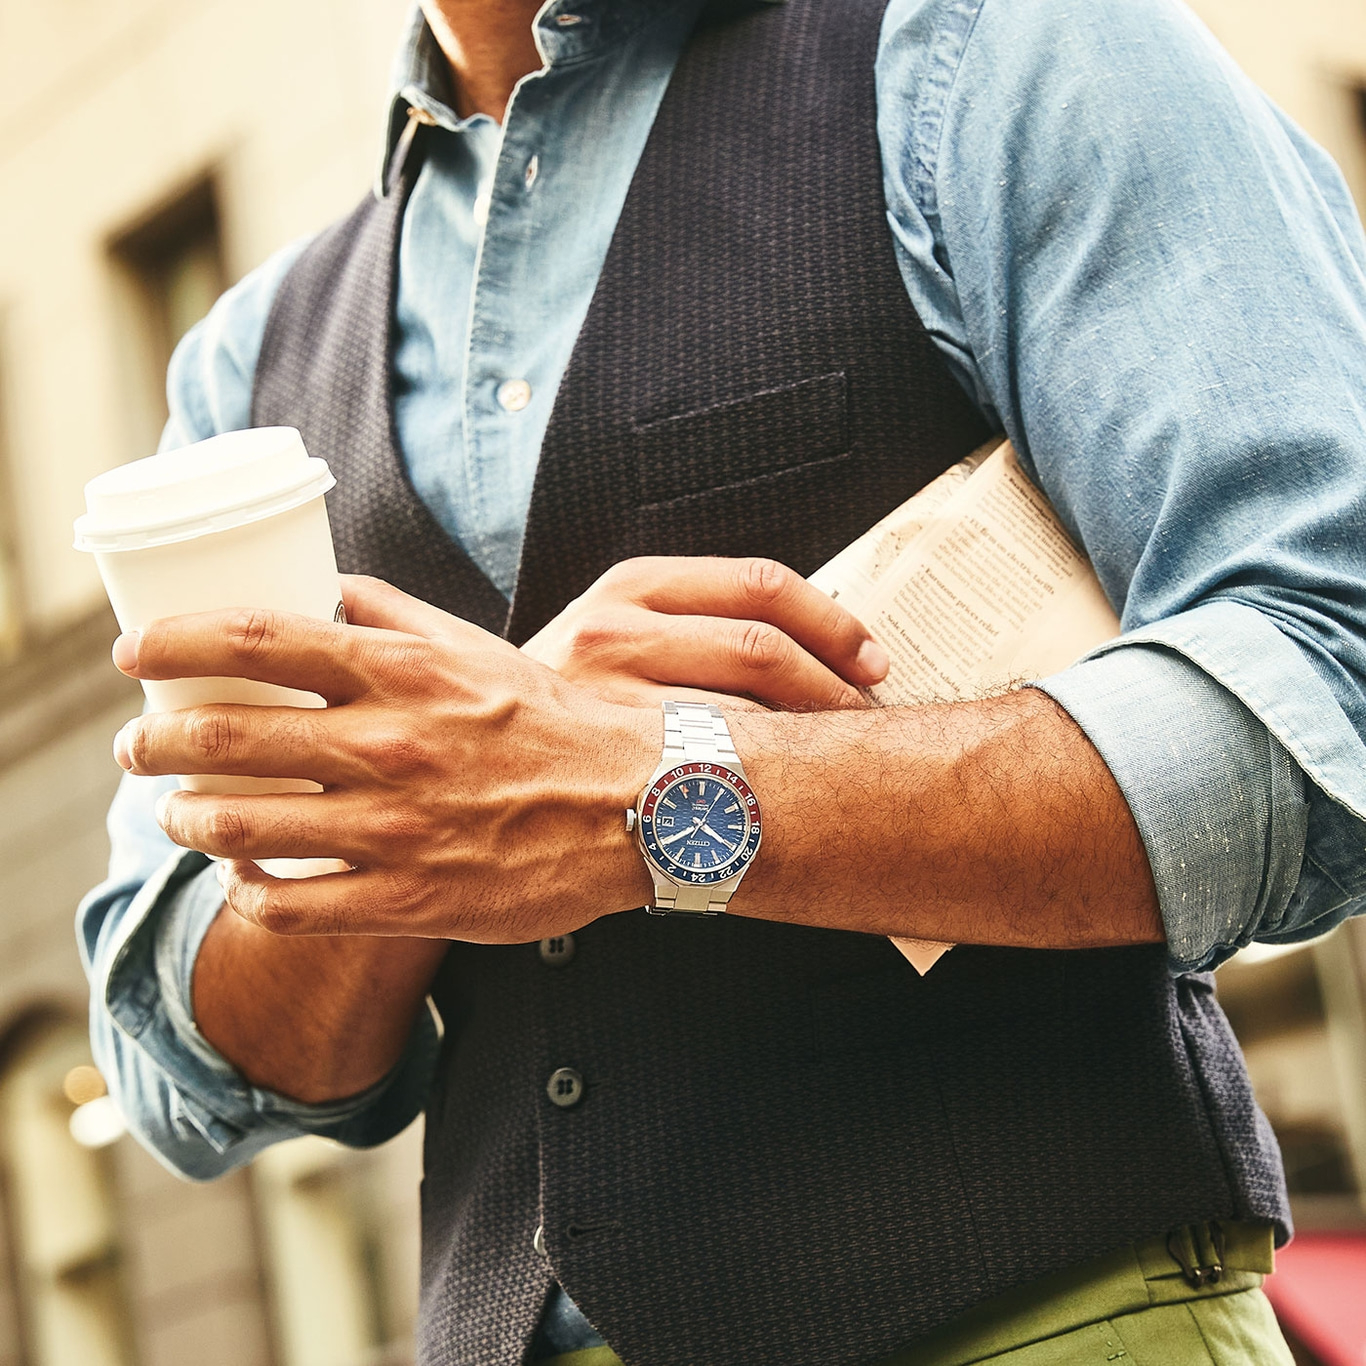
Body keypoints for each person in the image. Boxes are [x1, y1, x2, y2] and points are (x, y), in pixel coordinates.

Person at [79, 0, 1366, 1362]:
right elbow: (184, 1069)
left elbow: (1320, 676)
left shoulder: (998, 50)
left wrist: (652, 787)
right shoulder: (244, 363)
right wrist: (424, 802)